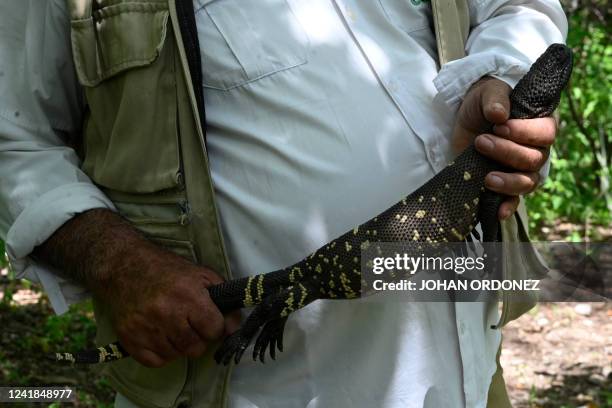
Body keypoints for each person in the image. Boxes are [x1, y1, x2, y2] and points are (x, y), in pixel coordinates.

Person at [0, 0, 566, 407]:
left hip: (469, 374)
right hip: (255, 388)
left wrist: (501, 74)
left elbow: (518, 9)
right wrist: (121, 266)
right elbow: (15, 139)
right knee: (280, 298)